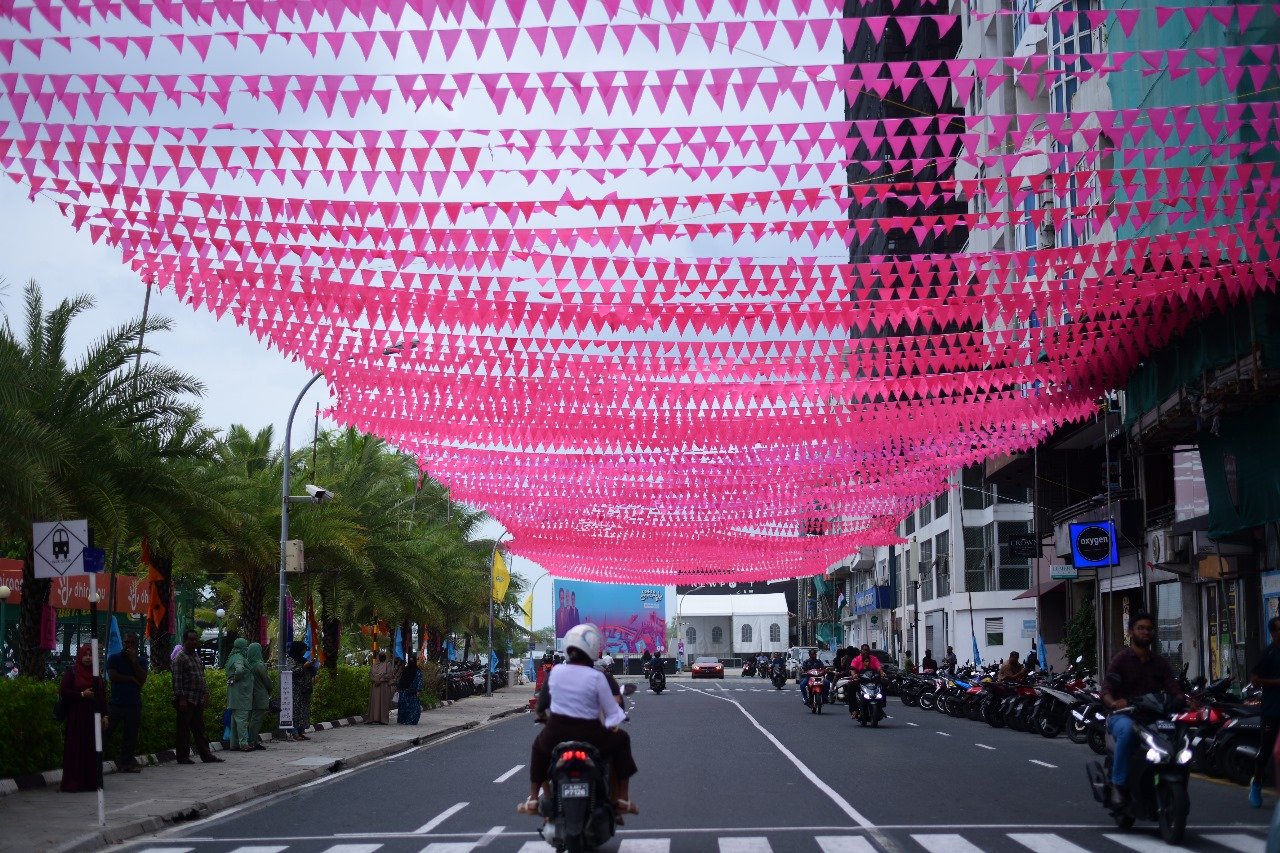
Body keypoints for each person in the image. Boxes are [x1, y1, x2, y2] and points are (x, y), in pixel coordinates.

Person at [520, 623, 638, 818]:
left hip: (556, 732)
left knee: (538, 749)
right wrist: (613, 725)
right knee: (622, 740)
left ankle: (534, 798)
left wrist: (542, 717)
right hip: (591, 734)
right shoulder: (598, 677)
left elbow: (540, 707)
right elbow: (612, 712)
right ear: (593, 649)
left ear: (567, 648)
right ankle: (623, 799)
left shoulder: (555, 672)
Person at [1101, 611, 1183, 809]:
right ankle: (1118, 784)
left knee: (1177, 732)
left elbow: (1173, 688)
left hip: (1153, 718)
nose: (1146, 632)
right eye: (1141, 628)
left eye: (1149, 629)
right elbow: (1106, 689)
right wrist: (1113, 703)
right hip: (1124, 716)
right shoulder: (1121, 660)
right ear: (1131, 632)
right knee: (1128, 730)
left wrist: (1184, 700)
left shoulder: (1160, 663)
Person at [59, 643, 107, 792]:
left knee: (91, 748)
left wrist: (105, 715)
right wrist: (81, 694)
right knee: (76, 748)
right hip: (77, 717)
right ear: (79, 656)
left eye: (90, 655)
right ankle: (73, 782)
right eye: (85, 655)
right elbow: (63, 691)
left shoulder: (96, 674)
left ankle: (90, 782)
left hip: (93, 718)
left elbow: (102, 695)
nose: (87, 657)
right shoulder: (73, 672)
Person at [172, 628, 223, 764]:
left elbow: (201, 676)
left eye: (195, 640)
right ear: (185, 641)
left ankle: (206, 755)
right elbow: (177, 680)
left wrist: (205, 692)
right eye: (191, 640)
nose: (194, 642)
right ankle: (183, 757)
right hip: (187, 698)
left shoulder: (195, 656)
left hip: (197, 698)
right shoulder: (180, 658)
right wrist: (181, 698)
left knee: (200, 729)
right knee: (183, 729)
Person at [104, 634, 146, 772]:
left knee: (131, 735)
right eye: (127, 642)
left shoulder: (141, 660)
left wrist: (134, 661)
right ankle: (95, 759)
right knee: (106, 731)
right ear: (123, 643)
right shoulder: (114, 658)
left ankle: (126, 763)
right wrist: (131, 679)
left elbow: (142, 679)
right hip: (116, 702)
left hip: (133, 703)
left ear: (136, 644)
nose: (129, 645)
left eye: (132, 642)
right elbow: (113, 676)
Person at [1249, 616, 1280, 807]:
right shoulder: (1267, 654)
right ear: (1273, 633)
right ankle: (1257, 783)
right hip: (1271, 711)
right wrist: (1276, 682)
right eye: (1279, 629)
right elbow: (1254, 680)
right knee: (1266, 751)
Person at [224, 637, 253, 751]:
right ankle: (243, 743)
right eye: (245, 646)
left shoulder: (233, 656)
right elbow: (240, 670)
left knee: (235, 719)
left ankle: (234, 743)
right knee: (242, 719)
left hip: (235, 692)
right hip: (241, 693)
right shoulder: (239, 657)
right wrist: (236, 678)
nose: (246, 648)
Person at [246, 642, 272, 750]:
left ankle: (251, 740)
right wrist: (270, 689)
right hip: (260, 695)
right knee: (257, 719)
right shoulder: (259, 665)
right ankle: (252, 741)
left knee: (251, 718)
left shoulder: (247, 664)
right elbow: (266, 681)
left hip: (249, 695)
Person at [289, 641, 316, 740]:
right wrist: (304, 666)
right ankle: (294, 732)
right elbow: (291, 671)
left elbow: (310, 672)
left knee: (303, 711)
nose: (304, 652)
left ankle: (301, 731)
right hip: (295, 690)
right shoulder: (291, 659)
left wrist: (311, 665)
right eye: (303, 649)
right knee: (295, 711)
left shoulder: (303, 660)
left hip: (305, 689)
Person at [848, 644, 883, 717]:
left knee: (882, 686)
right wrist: (854, 675)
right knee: (850, 687)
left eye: (867, 650)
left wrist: (882, 673)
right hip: (860, 680)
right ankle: (854, 709)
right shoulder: (856, 659)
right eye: (864, 650)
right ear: (861, 651)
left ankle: (881, 707)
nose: (866, 652)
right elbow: (852, 669)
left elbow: (878, 667)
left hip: (872, 681)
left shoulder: (873, 659)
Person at [367, 651, 394, 724]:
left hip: (383, 686)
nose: (381, 656)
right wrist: (375, 680)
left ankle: (383, 720)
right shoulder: (375, 665)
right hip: (375, 686)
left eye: (383, 655)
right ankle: (373, 718)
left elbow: (389, 675)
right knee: (375, 702)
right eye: (380, 655)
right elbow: (371, 674)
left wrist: (380, 680)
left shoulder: (387, 665)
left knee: (383, 702)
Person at [397, 657, 424, 725]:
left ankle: (411, 720)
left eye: (412, 661)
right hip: (404, 691)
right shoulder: (406, 670)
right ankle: (403, 720)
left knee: (413, 707)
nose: (411, 662)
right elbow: (401, 680)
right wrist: (399, 688)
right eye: (410, 660)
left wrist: (418, 690)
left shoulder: (417, 671)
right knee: (404, 707)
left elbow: (419, 681)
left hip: (413, 693)